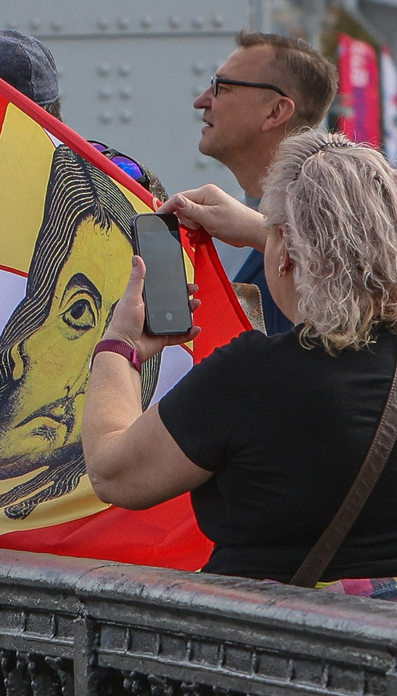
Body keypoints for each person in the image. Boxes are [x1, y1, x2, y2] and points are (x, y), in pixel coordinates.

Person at [86, 130, 397, 587]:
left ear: (287, 249)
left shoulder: (254, 375)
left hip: (262, 643)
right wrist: (267, 230)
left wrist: (120, 345)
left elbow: (115, 474)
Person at [168, 31, 335, 335]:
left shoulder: (346, 219)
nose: (201, 101)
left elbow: (363, 281)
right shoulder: (221, 226)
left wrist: (258, 233)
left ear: (276, 111)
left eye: (222, 88)